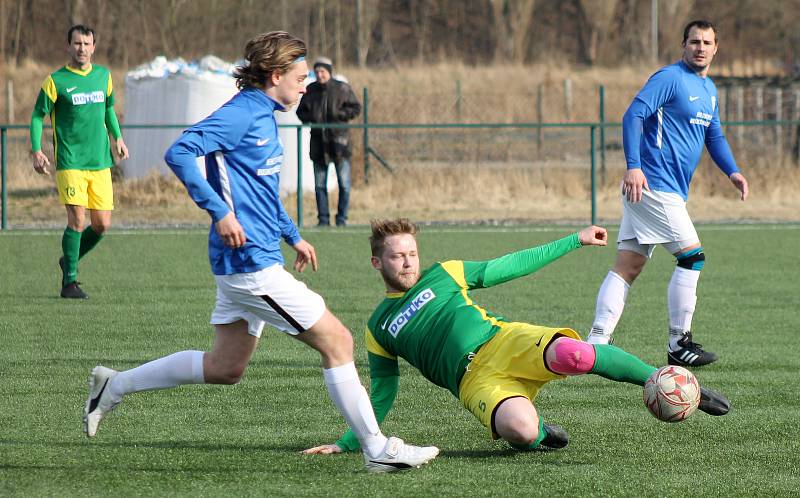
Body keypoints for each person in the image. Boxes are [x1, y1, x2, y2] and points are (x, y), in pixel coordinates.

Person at [82, 32, 437, 474]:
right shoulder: (242, 112)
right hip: (250, 264)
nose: (307, 85)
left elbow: (262, 189)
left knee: (225, 366)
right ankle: (377, 448)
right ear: (275, 76)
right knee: (339, 341)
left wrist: (293, 235)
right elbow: (180, 152)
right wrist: (219, 213)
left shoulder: (268, 113)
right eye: (301, 77)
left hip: (253, 258)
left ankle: (113, 387)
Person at [303, 219, 730, 455]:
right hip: (474, 383)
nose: (408, 262)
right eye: (397, 256)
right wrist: (347, 442)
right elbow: (381, 392)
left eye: (412, 253)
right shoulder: (378, 326)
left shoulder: (444, 273)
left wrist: (573, 241)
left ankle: (663, 377)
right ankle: (544, 434)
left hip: (502, 341)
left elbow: (509, 266)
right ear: (377, 262)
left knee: (577, 354)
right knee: (520, 431)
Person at [586, 20, 749, 367]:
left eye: (707, 42)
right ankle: (679, 343)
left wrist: (732, 171)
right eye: (694, 42)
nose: (700, 47)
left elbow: (714, 136)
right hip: (652, 185)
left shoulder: (709, 90)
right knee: (692, 257)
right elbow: (634, 115)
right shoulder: (670, 78)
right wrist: (633, 165)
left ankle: (596, 343)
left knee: (628, 265)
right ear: (683, 45)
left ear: (716, 48)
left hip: (664, 189)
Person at [30, 24, 129, 299]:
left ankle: (68, 259)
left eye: (86, 44)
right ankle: (69, 282)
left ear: (94, 47)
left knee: (101, 225)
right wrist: (37, 150)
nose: (81, 49)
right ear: (68, 46)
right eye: (76, 43)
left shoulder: (104, 77)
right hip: (70, 161)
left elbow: (108, 109)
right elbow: (38, 115)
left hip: (100, 161)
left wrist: (118, 137)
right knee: (76, 219)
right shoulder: (56, 81)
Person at [296, 56, 361, 227]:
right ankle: (323, 219)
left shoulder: (342, 88)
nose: (319, 74)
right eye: (316, 71)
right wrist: (313, 118)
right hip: (318, 144)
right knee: (319, 185)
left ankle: (342, 219)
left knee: (344, 185)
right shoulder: (310, 90)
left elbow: (356, 108)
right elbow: (300, 112)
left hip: (340, 144)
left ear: (329, 72)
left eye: (322, 71)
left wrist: (340, 116)